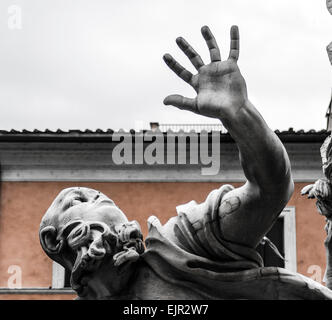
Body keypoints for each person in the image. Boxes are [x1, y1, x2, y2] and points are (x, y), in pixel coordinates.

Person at [39, 26, 332, 300]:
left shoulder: (181, 240)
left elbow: (269, 190)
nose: (101, 196)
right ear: (53, 241)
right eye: (79, 198)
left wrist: (239, 114)